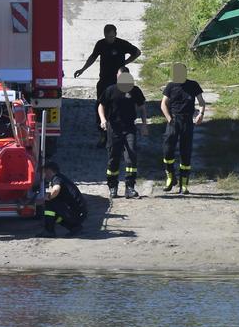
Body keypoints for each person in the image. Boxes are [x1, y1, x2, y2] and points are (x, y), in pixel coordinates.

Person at [74, 24, 140, 145]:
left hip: (119, 81)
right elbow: (93, 57)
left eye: (112, 36)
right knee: (101, 105)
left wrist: (125, 63)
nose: (110, 39)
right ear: (104, 35)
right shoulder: (101, 44)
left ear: (116, 34)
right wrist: (82, 69)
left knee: (121, 106)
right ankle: (103, 134)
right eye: (108, 37)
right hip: (104, 80)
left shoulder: (122, 44)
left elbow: (137, 52)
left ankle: (122, 134)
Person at [98, 66, 148, 198]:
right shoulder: (110, 90)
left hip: (130, 128)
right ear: (117, 77)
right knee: (113, 158)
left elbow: (142, 107)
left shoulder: (135, 90)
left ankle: (130, 187)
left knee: (131, 156)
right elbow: (101, 106)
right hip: (114, 128)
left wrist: (144, 125)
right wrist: (103, 120)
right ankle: (113, 187)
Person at [160, 63, 205, 194]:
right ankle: (170, 177)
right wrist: (169, 119)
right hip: (173, 120)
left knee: (185, 152)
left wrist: (201, 114)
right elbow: (163, 104)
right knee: (167, 150)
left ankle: (183, 184)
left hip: (187, 121)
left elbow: (201, 101)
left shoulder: (193, 85)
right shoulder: (171, 86)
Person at [40, 161, 87, 237]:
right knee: (53, 214)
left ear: (49, 170)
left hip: (76, 213)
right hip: (79, 213)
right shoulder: (61, 177)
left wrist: (47, 197)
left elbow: (56, 190)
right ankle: (74, 228)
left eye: (45, 172)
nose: (44, 175)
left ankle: (49, 231)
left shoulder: (56, 178)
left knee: (49, 203)